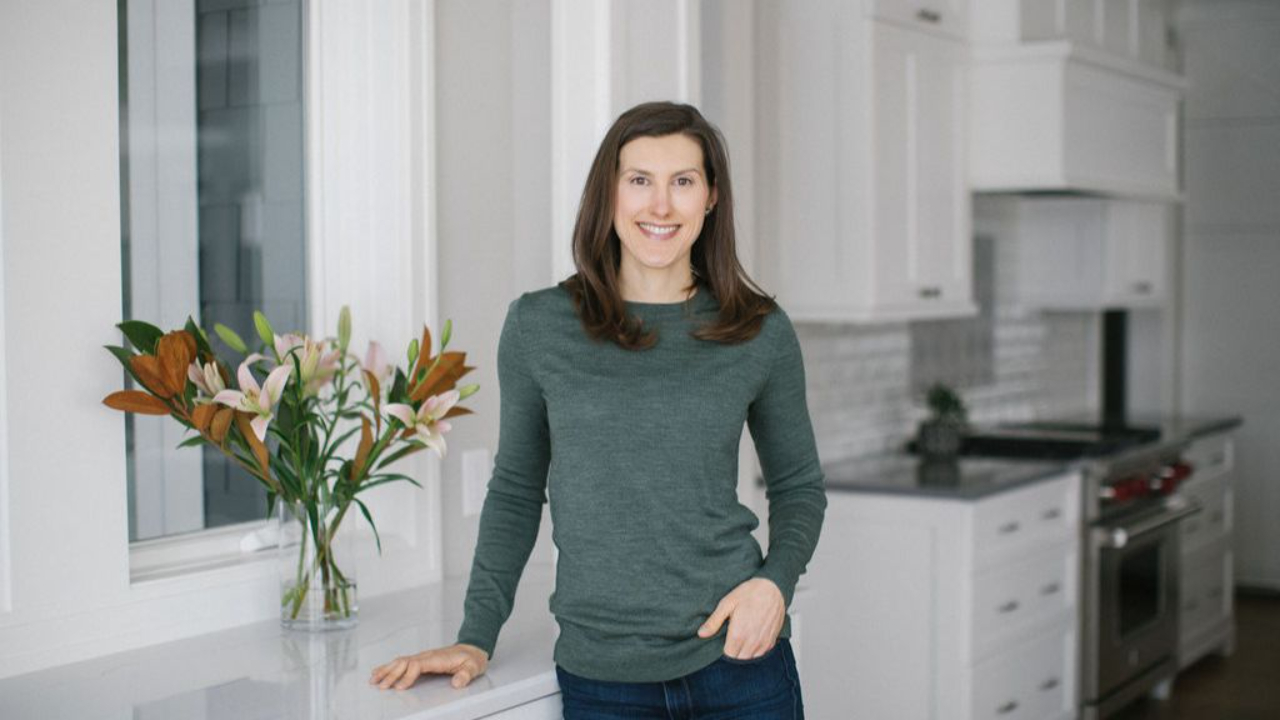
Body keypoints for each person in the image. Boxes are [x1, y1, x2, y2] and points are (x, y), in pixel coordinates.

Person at [370, 101, 827, 718]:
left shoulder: (757, 329)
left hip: (740, 663)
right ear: (609, 193)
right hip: (605, 682)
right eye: (639, 180)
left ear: (711, 197)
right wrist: (476, 636)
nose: (660, 205)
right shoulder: (539, 326)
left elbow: (798, 486)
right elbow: (515, 489)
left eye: (682, 181)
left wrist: (775, 584)